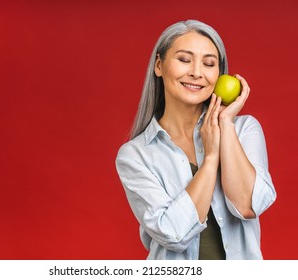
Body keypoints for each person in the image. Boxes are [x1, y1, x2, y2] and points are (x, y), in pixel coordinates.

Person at [115, 20, 276, 260]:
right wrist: (211, 159)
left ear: (219, 74)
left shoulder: (243, 130)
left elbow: (247, 206)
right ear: (159, 65)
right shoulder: (136, 155)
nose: (197, 73)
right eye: (184, 59)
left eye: (209, 63)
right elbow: (174, 234)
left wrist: (225, 123)